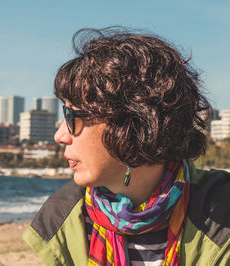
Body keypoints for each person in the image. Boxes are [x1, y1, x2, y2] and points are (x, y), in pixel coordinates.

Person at [23, 27, 230, 265]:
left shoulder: (223, 209)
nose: (60, 135)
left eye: (71, 116)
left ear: (130, 123)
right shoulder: (61, 218)